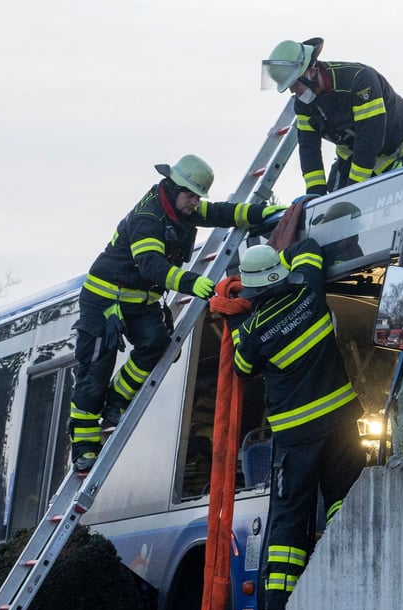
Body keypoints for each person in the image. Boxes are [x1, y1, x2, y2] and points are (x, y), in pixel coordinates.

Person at [67, 154, 285, 472]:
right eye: (190, 195)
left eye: (198, 196)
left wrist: (267, 214)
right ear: (172, 187)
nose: (194, 202)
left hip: (140, 300)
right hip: (105, 300)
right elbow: (151, 264)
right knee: (94, 374)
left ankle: (116, 400)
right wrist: (190, 282)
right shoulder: (148, 218)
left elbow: (225, 212)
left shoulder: (184, 208)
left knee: (156, 343)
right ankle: (84, 447)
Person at [228, 240, 365, 610]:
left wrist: (234, 317)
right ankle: (346, 567)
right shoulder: (309, 290)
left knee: (290, 519)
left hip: (296, 438)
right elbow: (308, 246)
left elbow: (241, 367)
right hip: (341, 423)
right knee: (345, 497)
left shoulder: (254, 330)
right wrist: (282, 256)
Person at [261, 37, 403, 195]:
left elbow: (370, 139)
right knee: (336, 199)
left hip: (402, 141)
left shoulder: (359, 81)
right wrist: (314, 193)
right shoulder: (303, 105)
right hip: (354, 149)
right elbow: (308, 149)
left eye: (294, 84)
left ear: (311, 72)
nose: (292, 91)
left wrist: (353, 189)